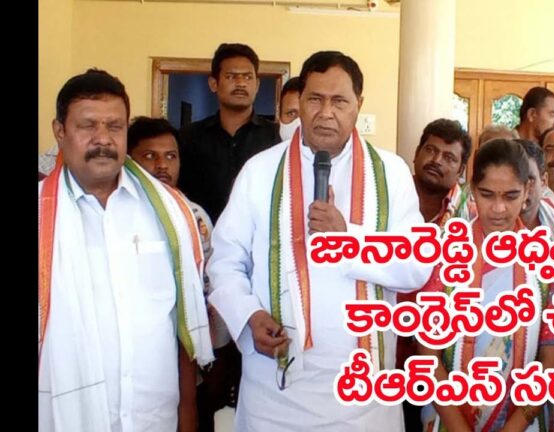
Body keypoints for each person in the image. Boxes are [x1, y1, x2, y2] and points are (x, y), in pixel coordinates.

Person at [206, 50, 431, 431]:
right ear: (300, 101)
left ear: (359, 104)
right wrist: (248, 317)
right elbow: (225, 262)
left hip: (364, 397)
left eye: (339, 101)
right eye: (315, 99)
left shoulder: (391, 173)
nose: (326, 113)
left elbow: (416, 266)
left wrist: (349, 239)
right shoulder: (260, 171)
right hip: (275, 391)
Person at [38, 69, 213, 432]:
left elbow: (182, 322)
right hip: (64, 417)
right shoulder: (41, 214)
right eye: (88, 125)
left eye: (114, 127)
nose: (103, 139)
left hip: (154, 418)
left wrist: (188, 412)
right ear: (60, 131)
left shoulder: (170, 213)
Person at [419, 138, 554, 432]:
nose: (498, 209)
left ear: (528, 190)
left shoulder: (549, 262)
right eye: (487, 195)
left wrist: (513, 427)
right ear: (473, 189)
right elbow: (427, 356)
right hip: (450, 417)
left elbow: (550, 360)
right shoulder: (445, 253)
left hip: (522, 421)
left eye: (511, 196)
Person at [127, 116, 234, 431]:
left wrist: (216, 354)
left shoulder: (194, 215)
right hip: (138, 358)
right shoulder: (119, 216)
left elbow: (211, 287)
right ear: (129, 160)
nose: (162, 165)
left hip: (192, 357)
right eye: (150, 156)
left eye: (171, 156)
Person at [399, 118, 475, 431]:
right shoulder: (388, 201)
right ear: (416, 154)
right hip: (383, 348)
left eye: (449, 157)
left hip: (438, 359)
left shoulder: (470, 217)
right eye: (430, 150)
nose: (436, 161)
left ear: (461, 170)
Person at [177, 42, 279, 224]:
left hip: (260, 237)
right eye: (231, 76)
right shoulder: (188, 138)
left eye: (248, 77)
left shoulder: (276, 137)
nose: (240, 83)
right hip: (203, 236)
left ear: (257, 85)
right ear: (213, 83)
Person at [278, 77, 302, 142]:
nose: (299, 123)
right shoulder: (267, 148)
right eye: (291, 113)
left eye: (305, 114)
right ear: (279, 115)